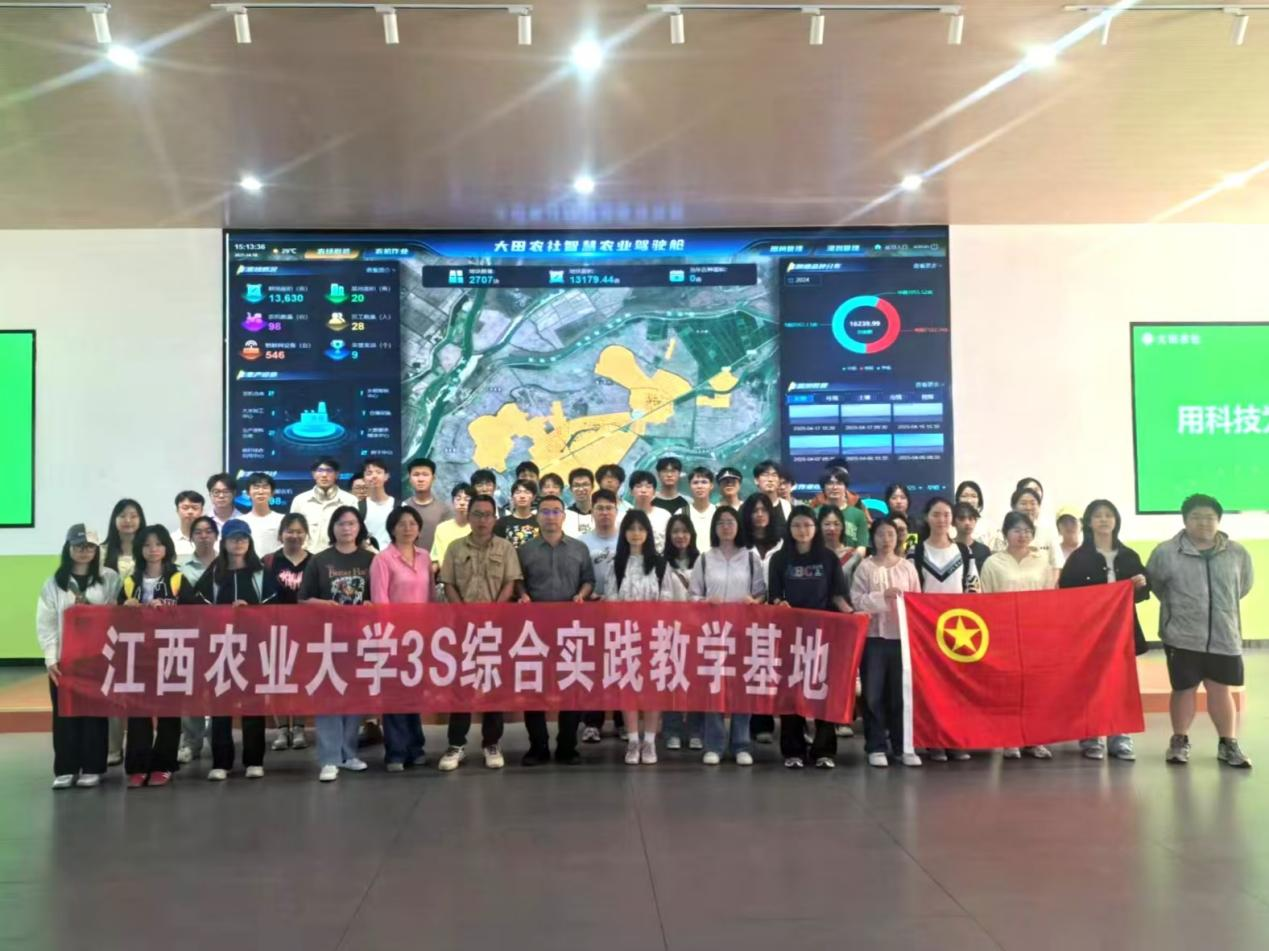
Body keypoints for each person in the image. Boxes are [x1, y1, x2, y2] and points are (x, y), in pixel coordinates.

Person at [1147, 494, 1254, 769]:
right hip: (1182, 636)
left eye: (1209, 517)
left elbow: (1243, 586)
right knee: (1183, 689)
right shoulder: (1166, 552)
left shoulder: (1237, 552)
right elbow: (1157, 586)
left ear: (1219, 520)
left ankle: (1228, 743)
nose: (1203, 522)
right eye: (1196, 517)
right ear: (1185, 521)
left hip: (1224, 634)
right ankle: (1179, 741)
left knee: (1221, 689)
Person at [1058, 499, 1150, 761]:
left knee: (1121, 684)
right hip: (1089, 633)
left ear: (1116, 521)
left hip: (1122, 631)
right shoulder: (1078, 558)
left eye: (1109, 515)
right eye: (1098, 515)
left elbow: (1143, 593)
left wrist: (1141, 584)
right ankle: (1091, 737)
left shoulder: (1129, 555)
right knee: (1091, 683)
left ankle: (1120, 738)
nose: (1103, 520)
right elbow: (1067, 594)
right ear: (1088, 522)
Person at [185, 519, 277, 780]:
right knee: (220, 707)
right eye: (233, 539)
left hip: (254, 649)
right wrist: (224, 613)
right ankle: (221, 762)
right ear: (224, 543)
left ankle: (254, 761)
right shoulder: (214, 573)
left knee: (253, 705)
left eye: (243, 538)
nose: (238, 543)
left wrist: (251, 612)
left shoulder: (261, 573)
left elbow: (275, 609)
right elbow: (199, 609)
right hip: (220, 649)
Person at [437, 494, 520, 770]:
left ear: (495, 518)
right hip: (463, 626)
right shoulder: (455, 548)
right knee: (461, 685)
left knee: (493, 684)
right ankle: (456, 744)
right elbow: (448, 583)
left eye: (487, 515)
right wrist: (463, 613)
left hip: (496, 626)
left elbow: (510, 583)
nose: (482, 520)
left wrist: (494, 612)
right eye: (477, 514)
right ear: (469, 516)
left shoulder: (506, 548)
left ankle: (491, 742)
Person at [769, 505, 852, 769]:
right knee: (791, 691)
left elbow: (838, 594)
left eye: (807, 525)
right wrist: (779, 603)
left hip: (823, 635)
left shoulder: (828, 558)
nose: (802, 530)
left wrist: (853, 615)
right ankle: (793, 750)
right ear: (789, 529)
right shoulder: (779, 559)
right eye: (796, 525)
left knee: (823, 691)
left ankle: (823, 751)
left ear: (815, 528)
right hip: (791, 635)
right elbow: (774, 595)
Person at [38, 524, 120, 789]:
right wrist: (51, 658)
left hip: (97, 658)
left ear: (96, 550)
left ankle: (93, 767)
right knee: (65, 715)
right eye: (78, 546)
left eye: (89, 547)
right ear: (68, 548)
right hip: (66, 660)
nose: (84, 551)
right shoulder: (54, 583)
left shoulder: (109, 578)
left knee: (95, 714)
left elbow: (116, 614)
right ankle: (66, 768)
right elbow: (46, 622)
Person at [516, 495, 596, 765]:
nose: (550, 516)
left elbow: (588, 580)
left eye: (555, 511)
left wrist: (582, 595)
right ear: (537, 516)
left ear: (564, 516)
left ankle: (567, 747)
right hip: (534, 629)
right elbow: (518, 581)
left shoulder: (579, 548)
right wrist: (523, 595)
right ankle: (537, 747)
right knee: (534, 688)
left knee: (571, 687)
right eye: (545, 511)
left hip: (570, 628)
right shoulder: (525, 550)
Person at [299, 506, 376, 781]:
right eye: (341, 523)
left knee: (354, 697)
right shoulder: (319, 560)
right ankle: (330, 758)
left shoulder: (371, 559)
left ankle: (349, 753)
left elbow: (379, 597)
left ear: (359, 527)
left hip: (359, 637)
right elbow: (303, 598)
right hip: (327, 638)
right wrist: (324, 604)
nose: (347, 528)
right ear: (333, 527)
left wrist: (371, 605)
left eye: (352, 523)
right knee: (329, 697)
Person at [689, 506, 765, 766]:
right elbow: (693, 595)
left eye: (730, 521)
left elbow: (761, 593)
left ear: (738, 525)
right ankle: (714, 744)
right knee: (714, 688)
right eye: (720, 522)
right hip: (713, 633)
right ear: (714, 527)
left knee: (742, 688)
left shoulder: (751, 558)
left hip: (743, 631)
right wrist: (705, 601)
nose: (726, 527)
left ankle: (741, 744)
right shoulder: (704, 558)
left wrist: (754, 601)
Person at [980, 511, 1055, 760]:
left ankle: (1034, 739)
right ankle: (1010, 739)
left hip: (1034, 633)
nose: (1022, 535)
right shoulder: (993, 563)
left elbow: (1049, 597)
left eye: (1027, 531)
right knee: (1008, 688)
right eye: (1016, 530)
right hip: (1004, 634)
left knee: (1035, 688)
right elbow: (985, 598)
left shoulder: (1041, 562)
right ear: (1005, 534)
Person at [911, 497, 979, 762]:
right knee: (930, 687)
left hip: (958, 630)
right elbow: (912, 590)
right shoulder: (916, 552)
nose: (942, 519)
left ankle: (955, 739)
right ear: (927, 517)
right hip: (926, 630)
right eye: (936, 514)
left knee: (956, 686)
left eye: (946, 514)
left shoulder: (963, 551)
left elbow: (973, 587)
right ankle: (933, 740)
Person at [118, 525, 185, 788]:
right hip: (138, 656)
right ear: (139, 549)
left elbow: (196, 614)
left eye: (158, 544)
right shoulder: (129, 582)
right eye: (147, 545)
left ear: (166, 548)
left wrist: (169, 610)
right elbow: (114, 618)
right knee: (138, 712)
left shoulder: (178, 579)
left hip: (171, 653)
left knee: (169, 712)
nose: (153, 549)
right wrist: (125, 608)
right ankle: (138, 766)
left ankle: (164, 765)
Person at [852, 517, 923, 768]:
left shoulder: (907, 568)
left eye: (891, 534)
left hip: (901, 639)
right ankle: (876, 745)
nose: (886, 539)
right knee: (873, 694)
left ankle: (903, 746)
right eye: (881, 534)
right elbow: (856, 600)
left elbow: (918, 601)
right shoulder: (865, 567)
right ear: (873, 538)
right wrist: (882, 597)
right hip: (873, 639)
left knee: (900, 695)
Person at [608, 510, 675, 765]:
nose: (636, 533)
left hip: (654, 636)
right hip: (625, 636)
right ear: (624, 533)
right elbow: (611, 600)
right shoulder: (616, 564)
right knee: (628, 689)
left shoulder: (660, 564)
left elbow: (667, 600)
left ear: (647, 533)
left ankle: (649, 741)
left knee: (651, 690)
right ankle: (633, 741)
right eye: (631, 528)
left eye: (640, 528)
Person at [370, 507, 431, 772]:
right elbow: (380, 600)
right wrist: (388, 636)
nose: (407, 528)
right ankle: (395, 752)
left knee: (414, 695)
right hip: (394, 637)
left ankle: (416, 748)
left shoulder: (425, 557)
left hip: (421, 636)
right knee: (394, 695)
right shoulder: (383, 559)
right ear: (392, 528)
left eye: (412, 523)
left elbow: (430, 597)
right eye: (401, 524)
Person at [263, 513, 312, 752]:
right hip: (275, 630)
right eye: (289, 531)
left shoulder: (315, 561)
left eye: (299, 531)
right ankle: (282, 729)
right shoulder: (269, 561)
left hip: (306, 631)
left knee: (302, 678)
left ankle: (300, 728)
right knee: (277, 679)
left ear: (306, 534)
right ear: (281, 534)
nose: (294, 535)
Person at [580, 489, 623, 744]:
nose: (604, 513)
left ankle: (622, 721)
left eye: (609, 508)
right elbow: (579, 575)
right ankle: (591, 722)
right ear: (592, 511)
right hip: (592, 611)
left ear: (616, 511)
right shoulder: (582, 542)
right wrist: (590, 595)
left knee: (620, 666)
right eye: (600, 508)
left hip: (621, 613)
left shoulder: (626, 539)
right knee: (593, 668)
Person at [175, 516, 219, 764]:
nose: (204, 536)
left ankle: (218, 741)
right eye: (198, 532)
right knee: (191, 691)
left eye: (208, 531)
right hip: (192, 636)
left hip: (223, 637)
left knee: (219, 691)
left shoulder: (228, 565)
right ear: (191, 537)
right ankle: (191, 741)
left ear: (216, 535)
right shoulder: (181, 569)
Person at [660, 513, 703, 751]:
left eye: (685, 531)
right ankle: (672, 730)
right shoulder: (661, 563)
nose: (680, 536)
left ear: (692, 535)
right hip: (671, 630)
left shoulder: (703, 561)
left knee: (697, 682)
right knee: (672, 682)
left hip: (698, 630)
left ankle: (696, 730)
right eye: (675, 531)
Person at [741, 491, 782, 744]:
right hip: (747, 614)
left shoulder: (782, 542)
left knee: (776, 670)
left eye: (764, 510)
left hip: (777, 614)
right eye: (754, 510)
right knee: (753, 668)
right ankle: (757, 723)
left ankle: (790, 724)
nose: (759, 515)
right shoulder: (740, 544)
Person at [290, 457, 357, 554]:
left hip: (338, 556)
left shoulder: (349, 500)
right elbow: (293, 532)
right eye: (320, 471)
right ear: (313, 474)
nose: (324, 475)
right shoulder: (300, 500)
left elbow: (354, 532)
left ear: (337, 474)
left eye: (329, 471)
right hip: (307, 556)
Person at [402, 457, 451, 552]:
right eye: (416, 475)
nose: (420, 479)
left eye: (425, 475)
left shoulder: (444, 510)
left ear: (433, 478)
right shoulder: (403, 507)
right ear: (409, 478)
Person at [820, 468, 868, 551]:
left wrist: (850, 558)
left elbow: (862, 546)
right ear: (823, 487)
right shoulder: (815, 513)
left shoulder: (858, 514)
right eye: (830, 483)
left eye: (839, 483)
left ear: (845, 487)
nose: (834, 487)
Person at [431, 482, 473, 574]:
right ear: (453, 501)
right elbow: (435, 559)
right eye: (458, 499)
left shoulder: (478, 529)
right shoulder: (442, 528)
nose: (462, 503)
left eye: (467, 500)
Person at [240, 471, 283, 555]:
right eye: (256, 487)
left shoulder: (282, 520)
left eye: (265, 487)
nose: (260, 492)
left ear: (272, 492)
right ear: (248, 493)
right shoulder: (240, 522)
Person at [628, 470, 671, 551]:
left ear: (654, 492)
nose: (643, 490)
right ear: (631, 491)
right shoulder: (624, 517)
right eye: (638, 486)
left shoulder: (664, 515)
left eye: (648, 487)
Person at [360, 457, 396, 550]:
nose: (374, 476)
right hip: (368, 556)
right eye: (369, 473)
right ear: (364, 478)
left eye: (378, 472)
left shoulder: (399, 506)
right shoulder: (358, 507)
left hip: (394, 557)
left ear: (386, 476)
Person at [494, 478, 541, 549]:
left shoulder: (541, 522)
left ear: (533, 497)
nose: (522, 496)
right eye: (518, 492)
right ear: (512, 497)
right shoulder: (502, 522)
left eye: (527, 492)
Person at [952, 502, 992, 572]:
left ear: (975, 521)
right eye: (962, 519)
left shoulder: (984, 551)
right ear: (953, 522)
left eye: (971, 519)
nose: (967, 523)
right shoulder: (947, 548)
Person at [686, 466, 716, 552]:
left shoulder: (719, 513)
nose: (699, 486)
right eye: (695, 483)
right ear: (689, 486)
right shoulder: (681, 513)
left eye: (704, 482)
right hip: (690, 559)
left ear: (711, 486)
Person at [753, 459, 790, 526]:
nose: (770, 479)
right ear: (756, 480)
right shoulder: (748, 507)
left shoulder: (788, 507)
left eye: (774, 475)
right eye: (765, 475)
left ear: (779, 480)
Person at [171, 490, 205, 559]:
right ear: (177, 510)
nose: (190, 512)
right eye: (185, 508)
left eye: (195, 508)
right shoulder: (170, 541)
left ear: (202, 511)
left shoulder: (212, 540)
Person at [563, 467, 596, 538]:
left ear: (592, 487)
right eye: (576, 485)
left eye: (585, 484)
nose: (581, 489)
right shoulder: (564, 516)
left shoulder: (602, 512)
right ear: (570, 489)